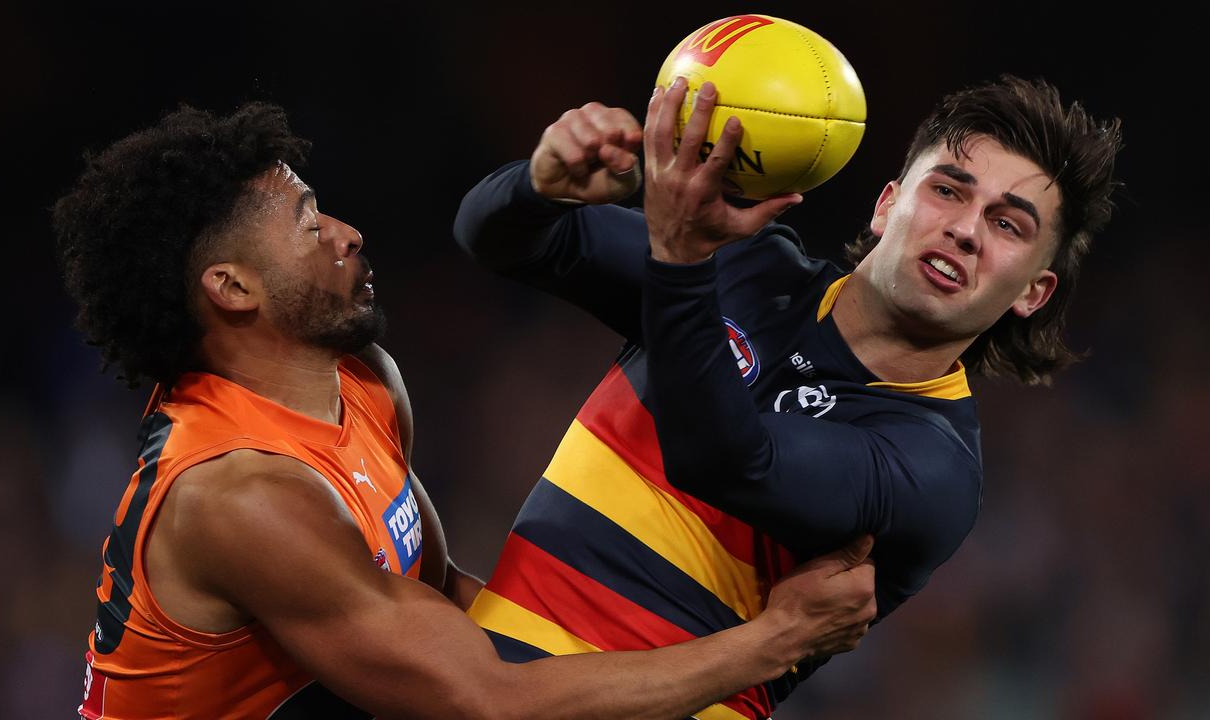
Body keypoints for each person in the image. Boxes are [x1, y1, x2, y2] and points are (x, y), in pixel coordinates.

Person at [54, 103, 879, 719]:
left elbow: (442, 595)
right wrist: (772, 643)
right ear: (231, 289)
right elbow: (489, 704)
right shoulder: (240, 498)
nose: (345, 232)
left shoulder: (362, 378)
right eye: (307, 222)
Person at [453, 74, 1122, 719]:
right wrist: (542, 184)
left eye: (1009, 226)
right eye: (949, 190)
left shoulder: (933, 465)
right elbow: (500, 239)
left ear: (1034, 292)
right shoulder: (746, 266)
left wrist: (682, 263)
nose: (967, 229)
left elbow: (723, 460)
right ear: (888, 203)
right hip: (485, 684)